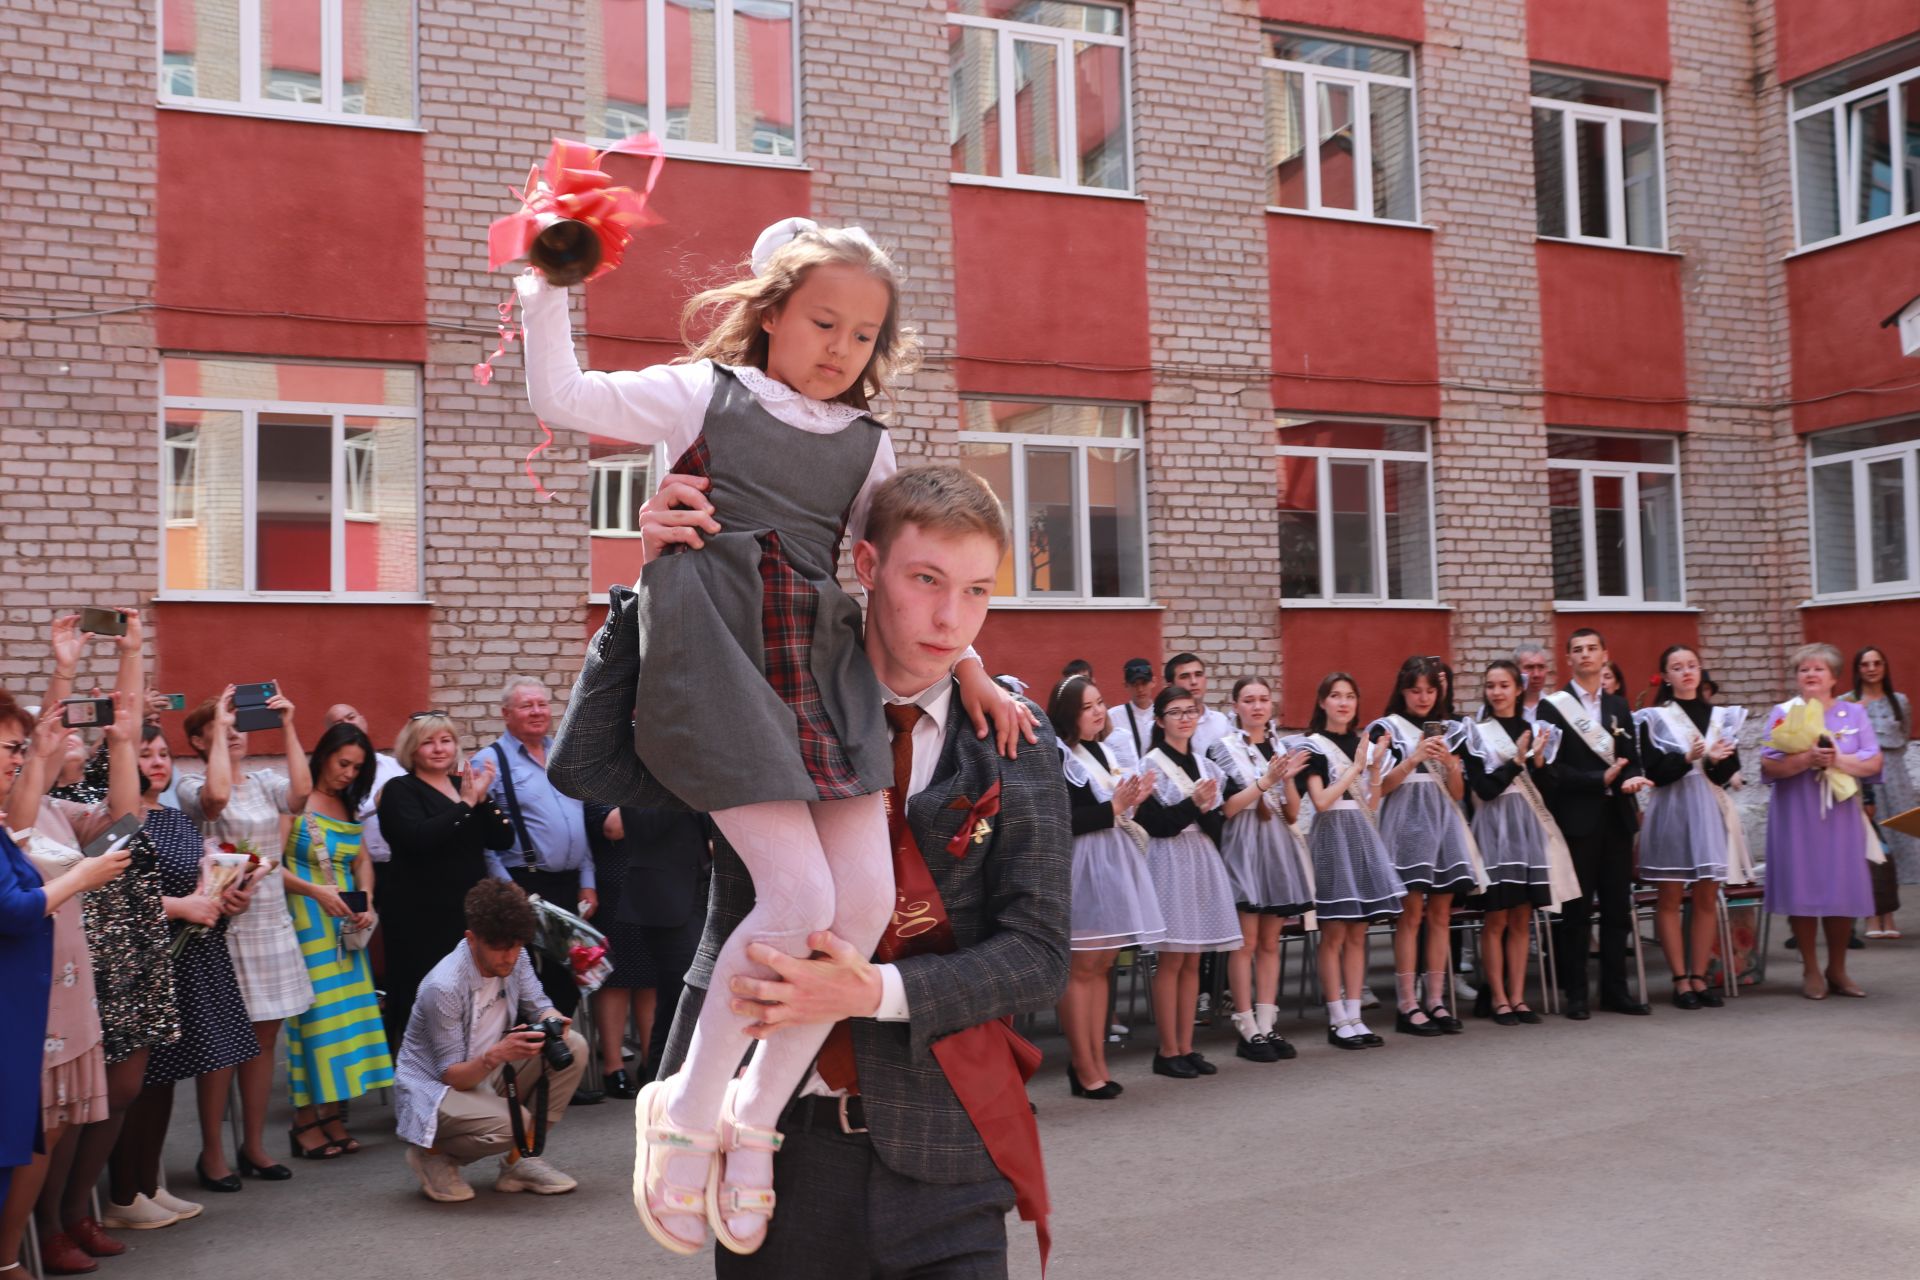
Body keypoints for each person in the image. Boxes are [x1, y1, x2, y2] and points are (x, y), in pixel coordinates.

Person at [522, 217, 1032, 1258]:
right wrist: (543, 284)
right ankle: (689, 1110)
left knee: (862, 901)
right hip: (714, 655)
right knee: (796, 896)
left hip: (819, 665)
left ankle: (755, 1123)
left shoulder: (867, 442)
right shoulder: (702, 395)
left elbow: (901, 567)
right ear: (771, 314)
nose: (841, 346)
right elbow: (561, 399)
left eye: (863, 332)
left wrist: (970, 660)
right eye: (823, 321)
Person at [567, 464, 1068, 1274]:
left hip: (945, 1150)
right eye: (927, 580)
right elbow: (589, 764)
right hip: (767, 1151)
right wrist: (652, 588)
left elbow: (1039, 955)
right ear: (868, 569)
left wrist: (872, 990)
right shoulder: (765, 705)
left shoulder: (1011, 738)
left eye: (977, 591)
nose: (950, 618)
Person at [28, 613, 180, 1265]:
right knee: (67, 1106)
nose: (67, 736)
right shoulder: (29, 807)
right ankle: (52, 1222)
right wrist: (63, 669)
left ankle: (75, 1208)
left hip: (127, 948)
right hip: (71, 955)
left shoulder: (78, 801)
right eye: (52, 732)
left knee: (114, 1094)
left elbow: (124, 816)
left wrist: (134, 653)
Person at [1, 690, 136, 1276]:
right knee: (28, 1127)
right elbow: (13, 908)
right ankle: (16, 1250)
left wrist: (126, 738)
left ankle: (46, 1228)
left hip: (61, 982)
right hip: (29, 993)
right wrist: (82, 876)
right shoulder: (17, 815)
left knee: (51, 1128)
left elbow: (125, 821)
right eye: (15, 747)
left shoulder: (58, 807)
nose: (21, 756)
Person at [105, 716, 256, 1230]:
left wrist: (227, 894)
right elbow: (114, 897)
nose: (157, 763)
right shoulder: (116, 818)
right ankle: (124, 1192)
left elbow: (198, 884)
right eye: (145, 754)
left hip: (191, 955)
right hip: (150, 959)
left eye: (163, 754)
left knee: (166, 1078)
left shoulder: (173, 816)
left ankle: (149, 1182)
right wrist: (181, 906)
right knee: (140, 1082)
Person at [176, 684, 312, 1187]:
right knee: (221, 1046)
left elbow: (300, 794)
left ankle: (254, 1145)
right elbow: (214, 802)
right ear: (198, 740)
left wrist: (289, 724)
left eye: (238, 729)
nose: (235, 736)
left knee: (264, 1038)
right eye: (223, 730)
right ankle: (212, 1153)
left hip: (270, 919)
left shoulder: (264, 779)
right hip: (226, 925)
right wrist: (217, 729)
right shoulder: (190, 784)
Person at [394, 879, 588, 1203]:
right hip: (435, 1091)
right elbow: (452, 1075)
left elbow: (538, 1003)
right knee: (514, 1122)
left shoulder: (517, 956)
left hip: (486, 1069)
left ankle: (519, 1162)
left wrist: (553, 1020)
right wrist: (497, 1056)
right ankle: (432, 1155)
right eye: (499, 947)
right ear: (472, 939)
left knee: (575, 1046)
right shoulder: (444, 986)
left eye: (515, 945)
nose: (509, 957)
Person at [1048, 676, 1163, 1099]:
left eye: (1100, 703)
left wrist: (1132, 800)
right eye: (1087, 706)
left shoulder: (1101, 750)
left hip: (1111, 859)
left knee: (1102, 966)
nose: (1099, 711)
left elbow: (1111, 808)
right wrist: (1113, 807)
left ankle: (1096, 1060)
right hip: (1081, 863)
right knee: (1081, 968)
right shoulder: (1056, 754)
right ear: (1068, 715)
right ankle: (1081, 1066)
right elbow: (1061, 820)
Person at [283, 721, 394, 1156]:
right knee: (315, 1023)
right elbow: (271, 864)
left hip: (346, 925)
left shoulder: (346, 803)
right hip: (306, 922)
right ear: (323, 754)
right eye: (343, 763)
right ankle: (304, 1121)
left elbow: (362, 857)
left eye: (357, 767)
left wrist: (366, 895)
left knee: (343, 1023)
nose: (349, 773)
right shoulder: (294, 797)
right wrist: (314, 891)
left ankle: (330, 1114)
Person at [1533, 629, 1652, 1019]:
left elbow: (1630, 757)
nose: (1586, 655)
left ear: (1605, 655)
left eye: (1592, 649)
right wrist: (1596, 780)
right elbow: (1551, 769)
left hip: (1617, 818)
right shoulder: (1553, 708)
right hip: (1578, 819)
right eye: (1578, 650)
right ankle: (1578, 993)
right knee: (1577, 912)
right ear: (1568, 658)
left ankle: (1616, 990)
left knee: (1618, 910)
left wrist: (1631, 777)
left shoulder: (1618, 705)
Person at [376, 714, 515, 1048]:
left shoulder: (461, 786)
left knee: (468, 992)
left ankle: (468, 1066)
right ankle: (420, 1075)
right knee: (424, 994)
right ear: (413, 749)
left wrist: (482, 800)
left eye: (446, 740)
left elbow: (502, 838)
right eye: (428, 742)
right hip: (420, 915)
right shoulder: (399, 789)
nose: (439, 749)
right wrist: (467, 804)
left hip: (465, 911)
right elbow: (419, 838)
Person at [472, 679, 599, 1023]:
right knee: (524, 980)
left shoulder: (564, 753)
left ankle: (557, 1051)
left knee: (571, 977)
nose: (537, 712)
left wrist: (588, 881)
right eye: (527, 705)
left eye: (542, 704)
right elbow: (481, 834)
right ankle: (528, 1055)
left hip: (570, 885)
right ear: (506, 714)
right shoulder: (489, 761)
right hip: (523, 886)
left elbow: (581, 822)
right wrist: (504, 886)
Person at [1133, 684, 1242, 1079]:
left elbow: (1216, 826)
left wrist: (1209, 810)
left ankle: (1187, 1045)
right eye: (1175, 712)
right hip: (1169, 859)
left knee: (1194, 956)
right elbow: (1156, 824)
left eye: (1190, 710)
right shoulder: (1149, 765)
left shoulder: (1206, 764)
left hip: (1201, 859)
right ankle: (1167, 1050)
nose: (1184, 718)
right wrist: (1193, 804)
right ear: (1160, 720)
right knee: (1172, 958)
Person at [1762, 644, 1881, 1000]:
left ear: (1833, 677)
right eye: (1803, 670)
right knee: (1803, 887)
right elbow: (1768, 766)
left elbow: (1873, 763)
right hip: (1796, 813)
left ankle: (1838, 968)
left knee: (1840, 888)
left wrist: (1836, 761)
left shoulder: (1853, 714)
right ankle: (1811, 968)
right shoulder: (1783, 713)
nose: (1811, 675)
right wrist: (1805, 759)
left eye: (1818, 669)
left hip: (1841, 814)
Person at [1368, 656, 1479, 1036]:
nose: (1423, 697)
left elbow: (1459, 792)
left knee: (1442, 916)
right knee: (1411, 915)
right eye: (1415, 690)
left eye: (1430, 690)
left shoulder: (1451, 729)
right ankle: (1406, 1002)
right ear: (1403, 691)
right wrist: (1413, 757)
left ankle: (1435, 998)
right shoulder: (1387, 728)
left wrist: (1450, 764)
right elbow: (1380, 788)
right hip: (1407, 824)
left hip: (1443, 819)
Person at [1635, 645, 1748, 1009]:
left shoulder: (1720, 716)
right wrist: (1688, 758)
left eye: (1692, 665)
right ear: (1665, 676)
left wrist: (1715, 763)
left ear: (1700, 672)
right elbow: (1653, 772)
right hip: (1673, 807)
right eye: (1677, 667)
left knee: (1705, 896)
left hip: (1709, 809)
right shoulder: (1654, 717)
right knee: (1669, 897)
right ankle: (1679, 978)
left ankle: (1699, 976)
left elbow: (1729, 771)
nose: (1686, 672)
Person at [1205, 677, 1312, 1061]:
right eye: (1248, 700)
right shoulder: (1222, 749)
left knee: (1270, 941)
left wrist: (1287, 779)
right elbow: (1228, 808)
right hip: (1244, 843)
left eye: (1263, 700)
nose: (1257, 706)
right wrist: (1265, 781)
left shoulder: (1281, 746)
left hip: (1276, 844)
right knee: (1245, 942)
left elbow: (1293, 812)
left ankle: (1268, 1024)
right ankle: (1246, 1026)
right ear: (1235, 706)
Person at [1461, 661, 1568, 1025]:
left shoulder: (1535, 729)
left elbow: (1550, 788)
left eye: (1504, 685)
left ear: (1518, 689)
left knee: (1523, 918)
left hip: (1527, 825)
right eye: (1491, 685)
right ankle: (1499, 999)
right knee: (1496, 918)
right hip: (1494, 828)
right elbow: (1485, 789)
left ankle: (1520, 997)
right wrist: (1519, 760)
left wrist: (1538, 759)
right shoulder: (1475, 732)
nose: (1497, 692)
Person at [1300, 673, 1402, 1049]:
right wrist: (1357, 767)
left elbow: (1373, 804)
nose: (1343, 703)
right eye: (1335, 695)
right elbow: (1322, 801)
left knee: (1359, 931)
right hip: (1330, 838)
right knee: (1335, 932)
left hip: (1360, 834)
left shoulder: (1363, 744)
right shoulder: (1311, 746)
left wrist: (1374, 768)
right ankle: (1336, 1017)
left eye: (1350, 696)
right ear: (1322, 701)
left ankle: (1356, 1014)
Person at [583, 803, 713, 1096]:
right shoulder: (649, 776)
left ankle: (662, 1085)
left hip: (697, 893)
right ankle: (663, 1087)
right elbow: (637, 826)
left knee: (672, 1002)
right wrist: (680, 787)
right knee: (681, 996)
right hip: (662, 901)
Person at [1845, 647, 1916, 938]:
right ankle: (1871, 917)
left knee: (1896, 847)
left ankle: (1890, 915)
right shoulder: (1847, 703)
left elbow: (1903, 738)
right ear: (1857, 669)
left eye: (1877, 663)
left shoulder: (1899, 701)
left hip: (1896, 781)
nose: (1872, 668)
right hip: (1866, 782)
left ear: (1885, 667)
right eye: (1865, 664)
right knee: (1869, 849)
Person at [321, 704, 408, 864]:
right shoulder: (328, 776)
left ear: (363, 720)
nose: (348, 724)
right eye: (339, 722)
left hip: (398, 861)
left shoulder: (396, 766)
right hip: (354, 864)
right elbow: (340, 817)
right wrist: (380, 799)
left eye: (351, 717)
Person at [1163, 653, 1233, 754]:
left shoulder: (1220, 722)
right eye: (1185, 676)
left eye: (1198, 675)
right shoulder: (1162, 725)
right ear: (1170, 686)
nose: (1194, 681)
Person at [1108, 657, 1158, 770]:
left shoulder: (1165, 714)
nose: (1140, 689)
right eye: (1134, 684)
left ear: (1153, 682)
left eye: (1144, 683)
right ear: (1125, 685)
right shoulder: (1112, 717)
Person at [1515, 644, 1552, 723]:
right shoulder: (1501, 707)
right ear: (1515, 670)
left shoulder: (1554, 706)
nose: (1536, 674)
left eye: (1541, 667)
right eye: (1529, 667)